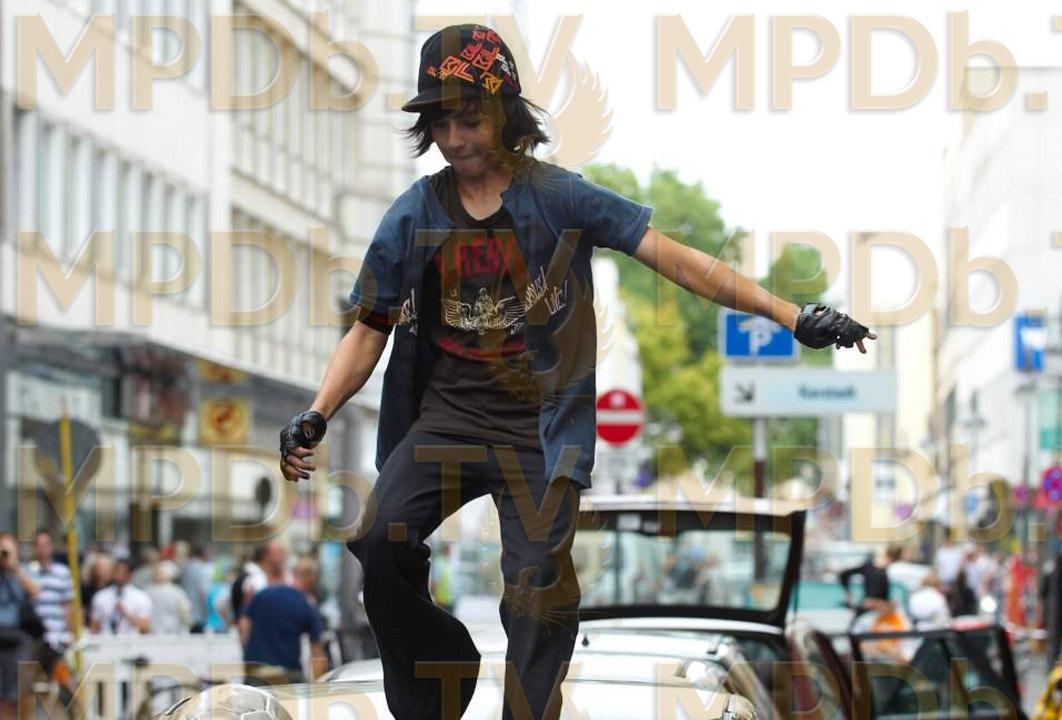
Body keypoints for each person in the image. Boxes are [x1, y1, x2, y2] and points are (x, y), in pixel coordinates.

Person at [277, 22, 876, 720]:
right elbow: (368, 328)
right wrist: (317, 413)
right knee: (380, 544)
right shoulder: (414, 214)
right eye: (441, 124)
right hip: (446, 424)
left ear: (505, 115)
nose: (456, 139)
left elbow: (679, 262)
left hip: (540, 432)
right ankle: (440, 669)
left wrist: (791, 315)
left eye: (470, 120)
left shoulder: (560, 198)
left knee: (536, 587)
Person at [241, 557, 327, 684]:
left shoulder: (263, 594)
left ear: (294, 574)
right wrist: (318, 686)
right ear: (311, 578)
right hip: (287, 675)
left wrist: (248, 652)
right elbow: (317, 652)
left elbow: (244, 624)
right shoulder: (306, 605)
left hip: (255, 672)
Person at [0, 534, 40, 720]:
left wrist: (13, 568)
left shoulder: (22, 572)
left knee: (16, 695)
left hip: (17, 638)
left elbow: (34, 591)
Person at [27, 530, 73, 650]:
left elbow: (67, 605)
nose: (42, 548)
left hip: (58, 636)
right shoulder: (27, 572)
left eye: (45, 544)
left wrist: (69, 632)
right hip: (34, 637)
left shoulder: (63, 572)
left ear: (51, 546)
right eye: (39, 545)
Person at [89, 559, 152, 635]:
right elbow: (94, 626)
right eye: (116, 571)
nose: (118, 575)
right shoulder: (101, 596)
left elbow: (145, 627)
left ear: (130, 575)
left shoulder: (141, 597)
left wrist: (126, 614)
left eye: (123, 572)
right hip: (106, 639)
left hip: (131, 640)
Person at [145, 563, 192, 634]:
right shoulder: (176, 591)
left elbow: (184, 611)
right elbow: (185, 613)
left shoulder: (147, 591)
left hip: (165, 630)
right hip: (162, 630)